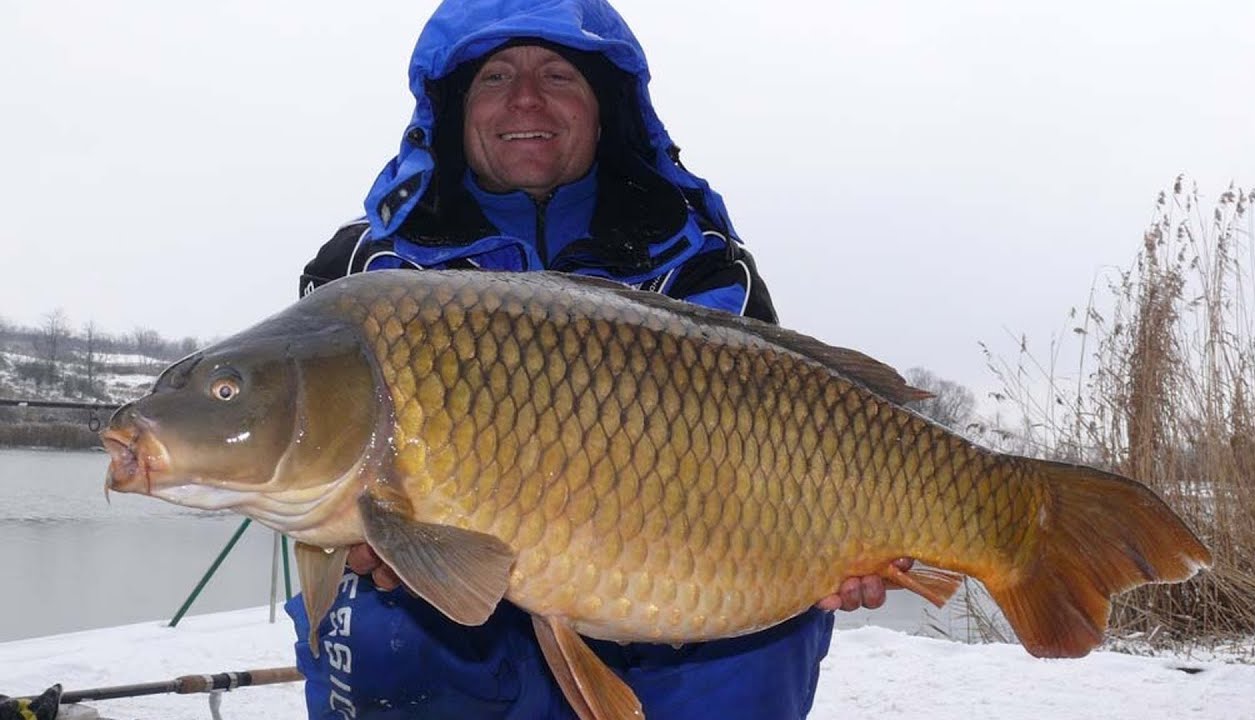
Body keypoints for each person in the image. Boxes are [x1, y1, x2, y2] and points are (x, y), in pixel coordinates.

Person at [286, 0, 910, 717]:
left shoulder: (704, 267)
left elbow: (783, 443)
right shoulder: (368, 271)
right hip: (449, 595)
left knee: (768, 633)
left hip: (659, 581)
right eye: (494, 76)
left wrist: (836, 543)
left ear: (608, 107)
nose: (525, 97)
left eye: (558, 74)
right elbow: (310, 447)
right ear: (453, 110)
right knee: (373, 627)